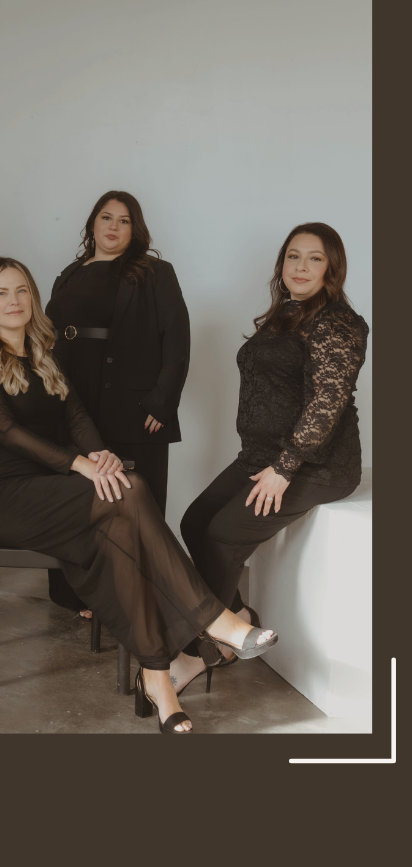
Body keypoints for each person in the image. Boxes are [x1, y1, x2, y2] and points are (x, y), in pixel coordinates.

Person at [0, 256, 277, 732]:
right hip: (10, 496)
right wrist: (80, 464)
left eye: (22, 290)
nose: (14, 301)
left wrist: (101, 455)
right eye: (2, 292)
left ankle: (158, 678)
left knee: (124, 519)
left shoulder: (45, 353)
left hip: (58, 487)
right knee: (128, 496)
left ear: (33, 298)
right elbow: (6, 433)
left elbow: (77, 417)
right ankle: (215, 620)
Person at [173, 223, 368, 691]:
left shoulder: (338, 322)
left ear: (332, 267)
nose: (301, 267)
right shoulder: (287, 314)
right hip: (262, 453)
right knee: (194, 522)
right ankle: (238, 615)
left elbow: (328, 401)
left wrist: (285, 468)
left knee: (223, 535)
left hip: (317, 464)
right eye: (293, 257)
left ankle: (200, 652)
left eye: (314, 258)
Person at [43, 191, 189, 620]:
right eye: (105, 218)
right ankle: (83, 594)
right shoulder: (69, 274)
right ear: (92, 224)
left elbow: (177, 341)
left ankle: (137, 594)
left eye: (124, 221)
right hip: (73, 399)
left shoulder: (155, 273)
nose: (112, 227)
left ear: (135, 229)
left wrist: (161, 404)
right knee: (81, 498)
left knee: (134, 501)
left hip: (134, 405)